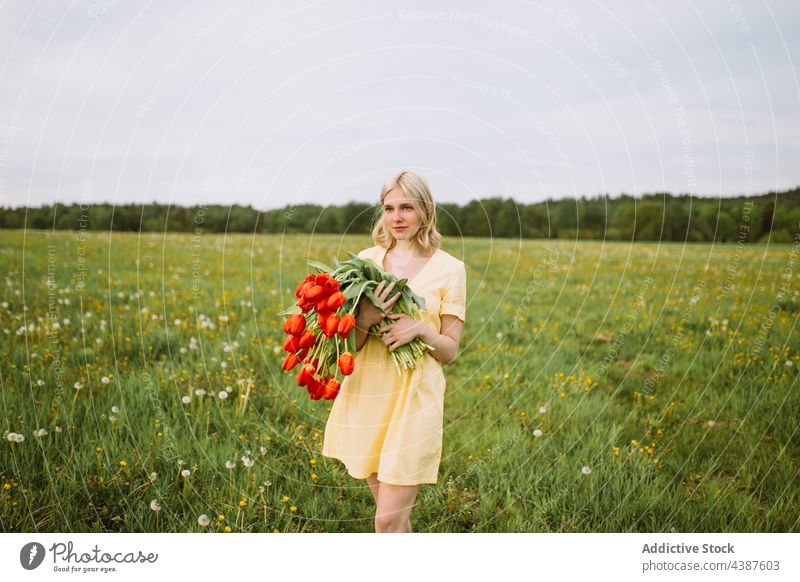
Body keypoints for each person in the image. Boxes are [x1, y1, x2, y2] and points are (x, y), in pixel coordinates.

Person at [321, 170, 467, 533]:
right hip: (368, 394)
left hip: (416, 398)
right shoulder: (365, 262)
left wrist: (419, 328)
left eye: (407, 207)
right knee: (394, 523)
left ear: (426, 210)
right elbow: (347, 346)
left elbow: (449, 351)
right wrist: (365, 319)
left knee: (386, 522)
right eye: (389, 208)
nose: (397, 218)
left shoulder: (450, 269)